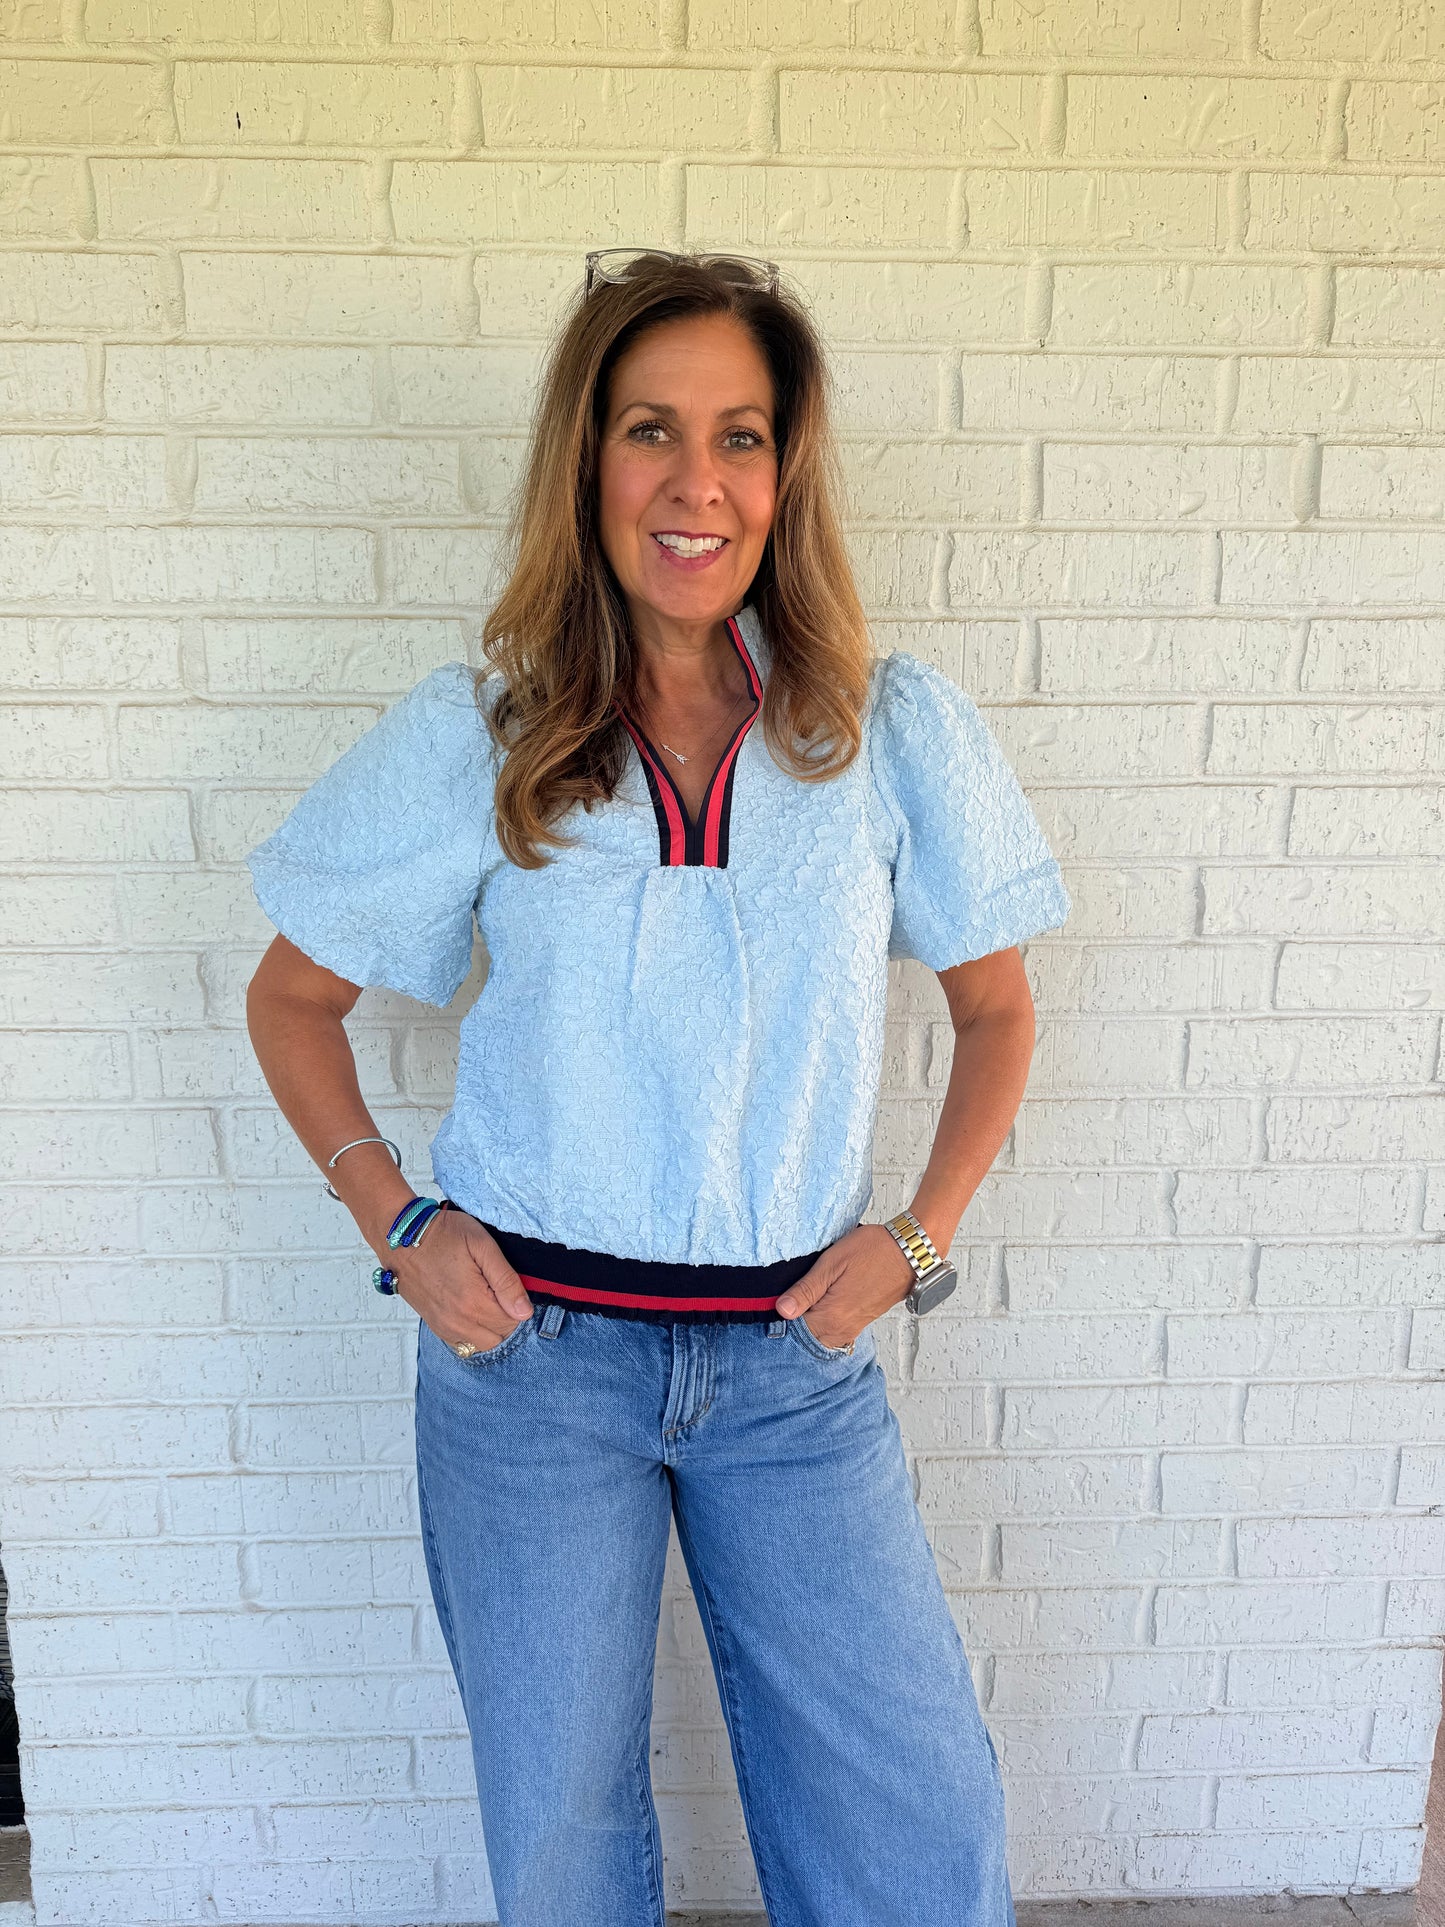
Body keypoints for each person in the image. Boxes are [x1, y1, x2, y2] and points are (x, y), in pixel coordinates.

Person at [244, 249, 1070, 1927]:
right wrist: (397, 1221)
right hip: (532, 1372)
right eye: (650, 430)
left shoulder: (879, 732)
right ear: (587, 460)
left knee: (912, 1825)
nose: (697, 482)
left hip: (794, 1364)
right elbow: (290, 1000)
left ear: (784, 471)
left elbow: (995, 1012)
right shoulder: (486, 734)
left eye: (739, 436)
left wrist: (913, 1244)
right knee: (561, 1841)